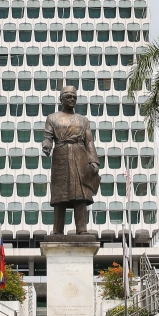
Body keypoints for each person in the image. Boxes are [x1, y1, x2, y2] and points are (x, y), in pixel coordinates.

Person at [41, 85, 100, 235]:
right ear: (61, 99)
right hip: (61, 156)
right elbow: (48, 138)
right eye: (68, 96)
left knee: (81, 194)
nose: (72, 99)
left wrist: (93, 161)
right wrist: (46, 146)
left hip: (80, 156)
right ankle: (57, 231)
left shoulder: (83, 120)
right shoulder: (52, 118)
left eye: (74, 97)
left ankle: (82, 229)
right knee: (60, 195)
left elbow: (89, 142)